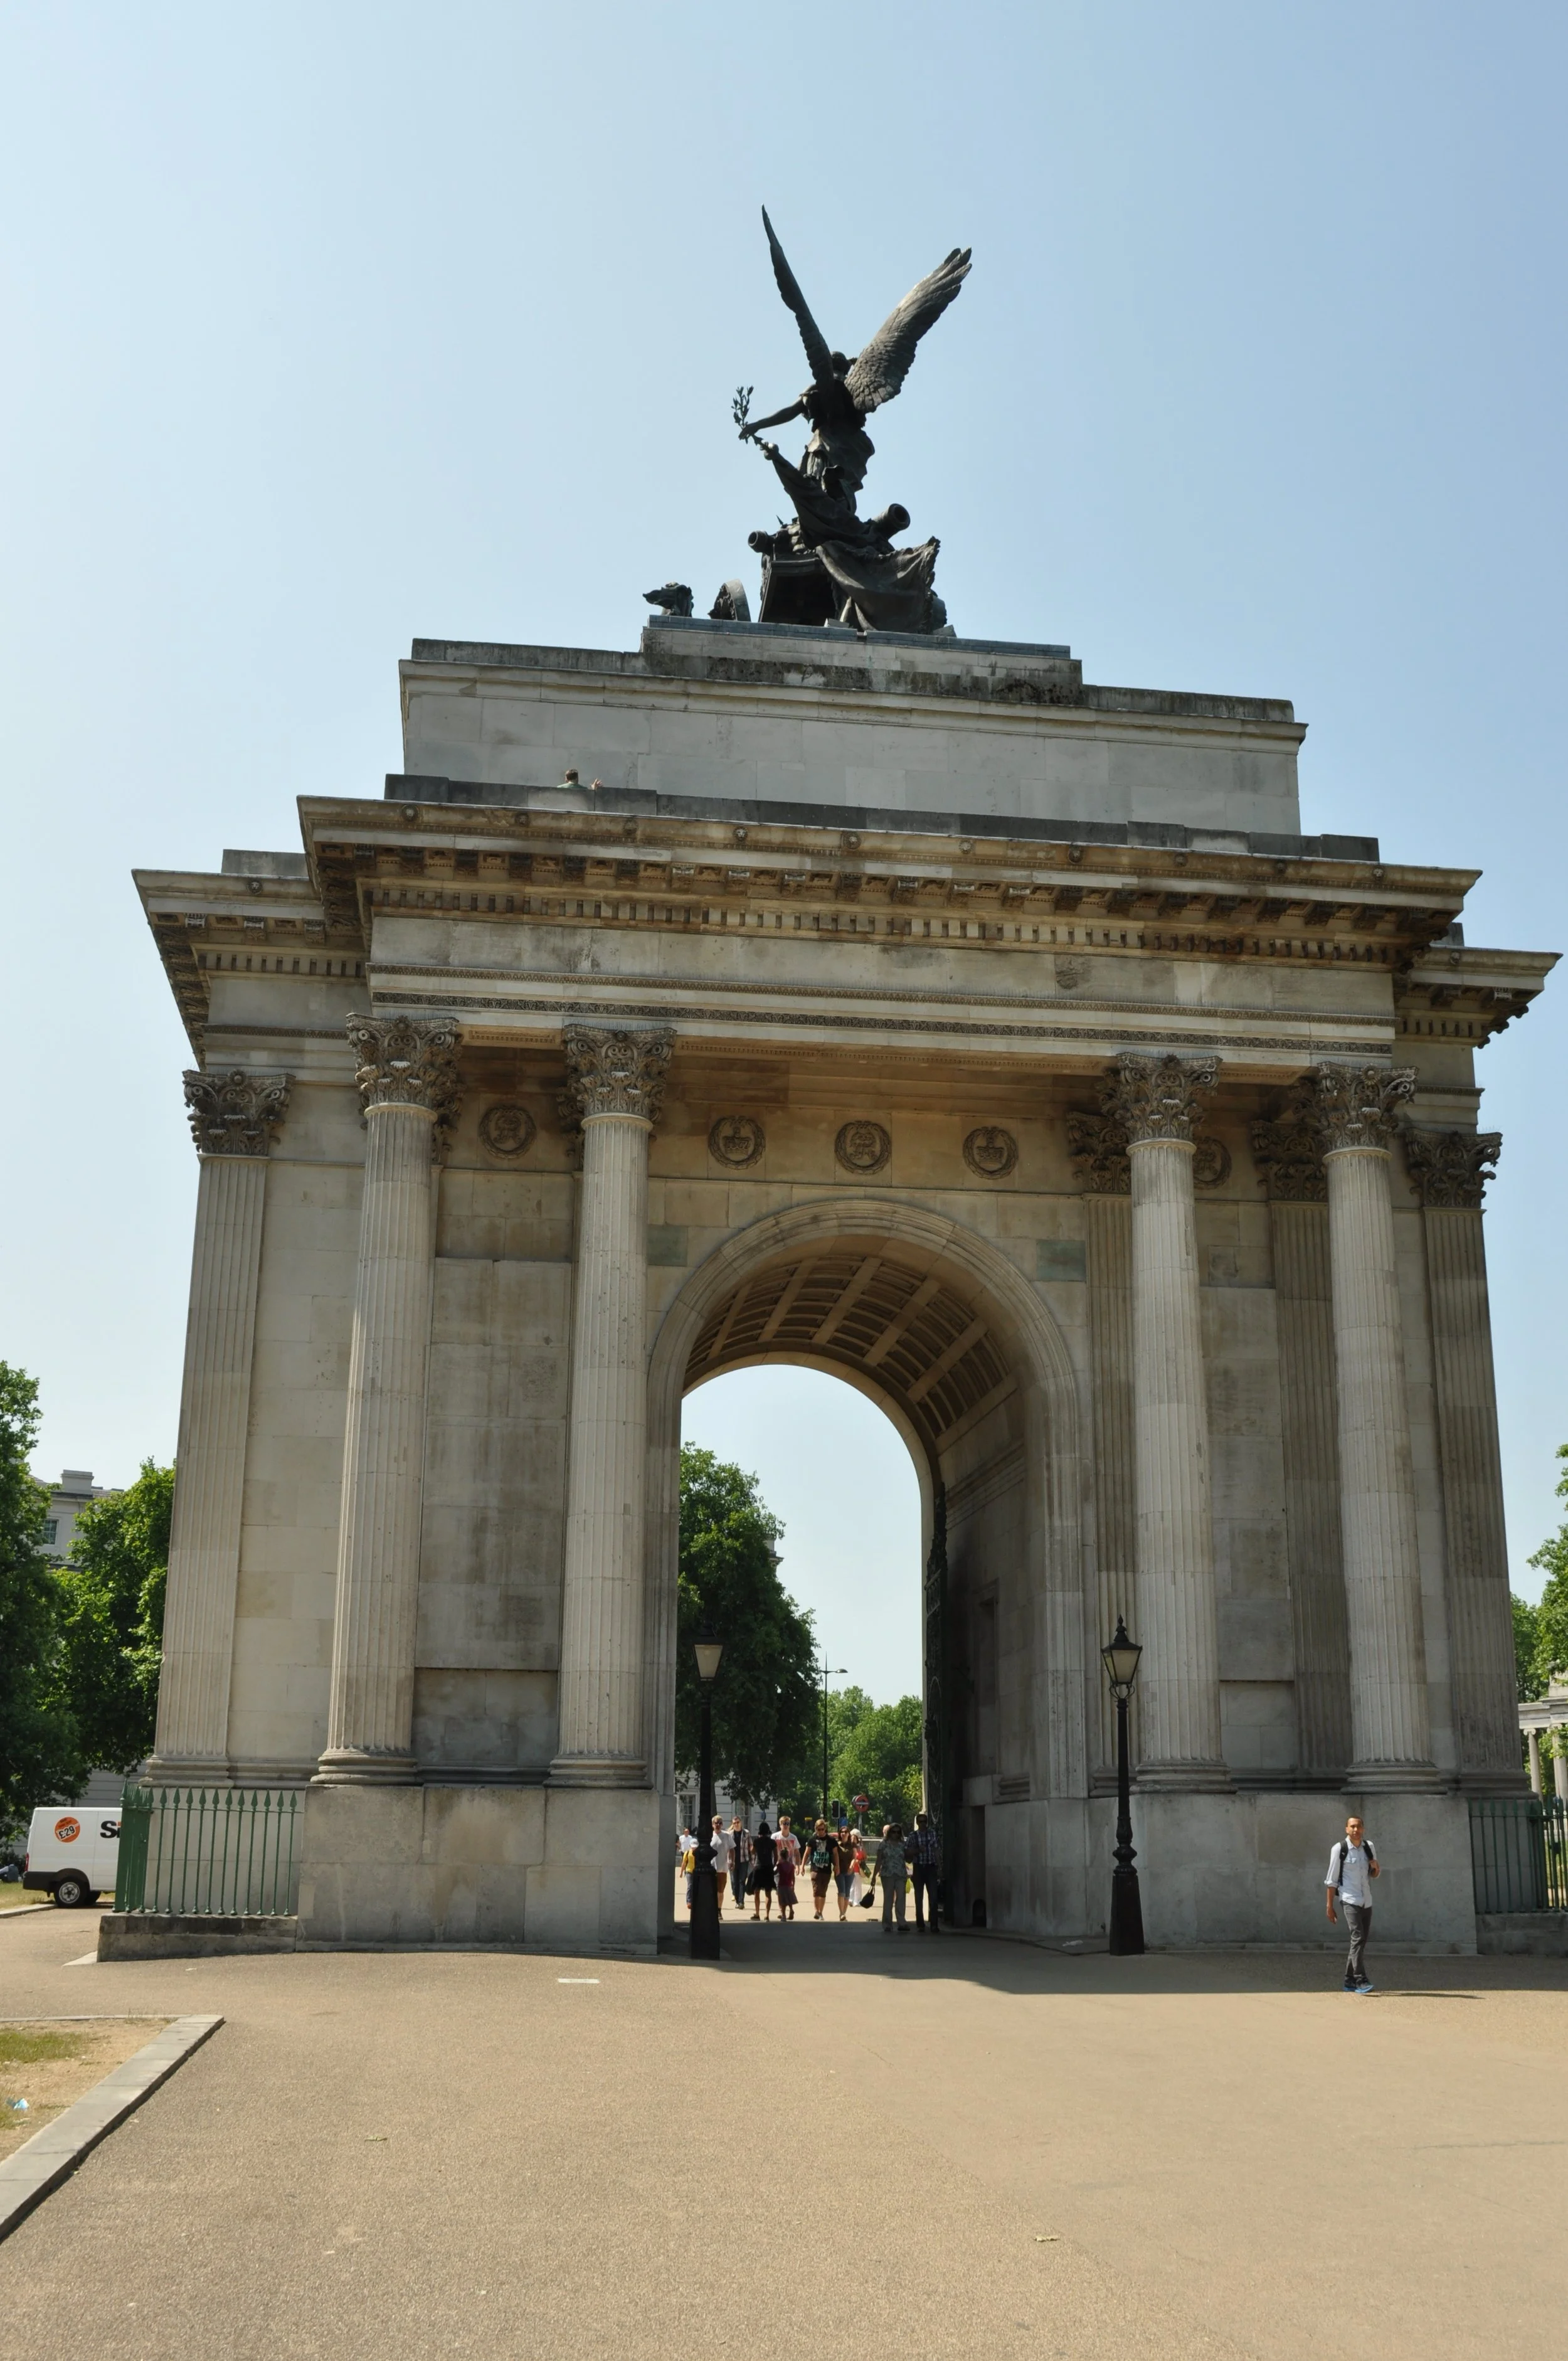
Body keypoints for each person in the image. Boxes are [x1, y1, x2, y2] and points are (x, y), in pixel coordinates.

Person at [1325, 1813, 1380, 1993]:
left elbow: (1373, 1874)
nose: (1356, 1830)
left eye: (1359, 1826)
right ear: (1347, 1829)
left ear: (1363, 1828)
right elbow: (1331, 1880)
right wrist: (1329, 1907)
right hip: (1349, 1899)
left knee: (1361, 1941)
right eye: (1352, 1827)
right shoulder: (1339, 1849)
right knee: (1357, 1937)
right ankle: (1360, 1980)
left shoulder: (1369, 1847)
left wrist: (1376, 1869)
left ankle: (1349, 1980)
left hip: (1366, 1900)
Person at [906, 1811, 941, 1934]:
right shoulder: (912, 1836)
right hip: (918, 1868)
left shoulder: (932, 1834)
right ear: (917, 1823)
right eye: (920, 1822)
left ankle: (934, 1924)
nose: (923, 1824)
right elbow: (907, 1853)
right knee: (918, 1898)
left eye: (925, 1822)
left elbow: (936, 1850)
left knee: (934, 1897)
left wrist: (939, 1866)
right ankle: (920, 1924)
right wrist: (917, 1850)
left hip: (931, 1868)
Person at [872, 1822, 909, 1933]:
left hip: (901, 1874)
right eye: (893, 1832)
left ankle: (901, 1922)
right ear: (889, 1833)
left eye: (898, 1832)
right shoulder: (883, 1844)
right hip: (887, 1874)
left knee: (901, 1898)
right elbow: (878, 1861)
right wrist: (874, 1876)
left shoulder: (903, 1844)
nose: (896, 1834)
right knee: (888, 1899)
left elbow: (908, 1858)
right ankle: (887, 1924)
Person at [804, 1820, 837, 1921]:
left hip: (827, 1870)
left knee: (823, 1892)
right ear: (816, 1829)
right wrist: (802, 1865)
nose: (821, 1831)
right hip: (815, 1869)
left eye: (823, 1829)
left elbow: (836, 1854)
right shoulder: (812, 1840)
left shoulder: (831, 1840)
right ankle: (817, 1912)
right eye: (819, 1829)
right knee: (816, 1891)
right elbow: (807, 1853)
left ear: (825, 1829)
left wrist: (837, 1866)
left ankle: (820, 1912)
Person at [750, 1820, 776, 1921]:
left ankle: (757, 1913)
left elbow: (752, 1852)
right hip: (768, 1867)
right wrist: (773, 1866)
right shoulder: (772, 1842)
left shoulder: (757, 1841)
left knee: (757, 1891)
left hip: (758, 1867)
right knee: (768, 1892)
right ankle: (767, 1915)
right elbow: (776, 1856)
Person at [775, 1815, 800, 1920]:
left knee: (786, 1890)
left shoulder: (793, 1838)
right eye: (784, 1824)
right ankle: (782, 1911)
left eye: (788, 1824)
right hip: (778, 1867)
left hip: (789, 1868)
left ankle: (784, 1911)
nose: (786, 1826)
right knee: (779, 1890)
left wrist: (798, 1866)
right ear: (780, 1825)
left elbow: (797, 1853)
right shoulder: (775, 1837)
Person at [832, 1825, 857, 1921]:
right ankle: (841, 1913)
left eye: (846, 1832)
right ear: (840, 1834)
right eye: (842, 1832)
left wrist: (852, 1866)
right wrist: (836, 1866)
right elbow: (834, 1856)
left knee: (847, 1894)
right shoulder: (837, 1844)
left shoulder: (852, 1845)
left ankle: (844, 1913)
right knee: (841, 1892)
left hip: (850, 1872)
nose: (844, 1833)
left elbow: (855, 1857)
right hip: (840, 1871)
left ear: (848, 1834)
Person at [709, 1817, 732, 1919]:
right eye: (716, 1823)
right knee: (711, 1891)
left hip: (723, 1868)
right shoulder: (709, 1837)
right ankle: (712, 1910)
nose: (718, 1825)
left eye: (720, 1823)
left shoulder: (727, 1836)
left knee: (720, 1891)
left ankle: (719, 1910)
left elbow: (732, 1849)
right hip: (711, 1868)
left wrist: (732, 1861)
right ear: (712, 1824)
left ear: (722, 1825)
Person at [728, 1817, 751, 1914]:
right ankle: (737, 1899)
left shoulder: (746, 1833)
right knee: (734, 1881)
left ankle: (741, 1902)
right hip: (732, 1861)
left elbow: (751, 1845)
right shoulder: (730, 1834)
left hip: (744, 1860)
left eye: (738, 1822)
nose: (736, 1824)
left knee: (742, 1881)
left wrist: (753, 1860)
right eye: (734, 1823)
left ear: (741, 1823)